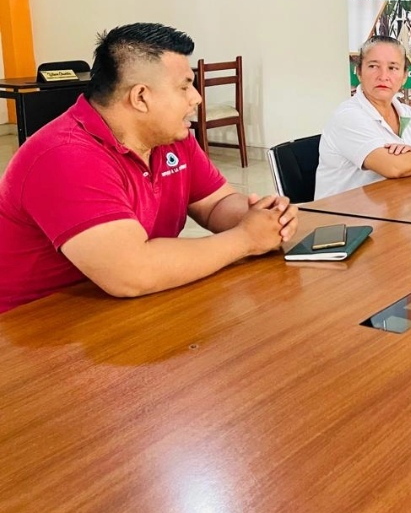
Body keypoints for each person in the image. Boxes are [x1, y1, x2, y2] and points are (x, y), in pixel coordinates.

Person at [0, 22, 299, 314]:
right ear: (141, 97)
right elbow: (132, 273)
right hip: (39, 325)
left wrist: (263, 218)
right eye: (184, 86)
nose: (196, 98)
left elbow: (215, 204)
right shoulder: (64, 155)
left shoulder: (170, 137)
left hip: (135, 308)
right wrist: (245, 239)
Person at [315, 34, 411, 199]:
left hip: (393, 204)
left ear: (404, 76)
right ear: (359, 72)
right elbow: (394, 168)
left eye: (393, 68)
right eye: (373, 66)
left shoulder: (407, 113)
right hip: (343, 213)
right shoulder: (347, 116)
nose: (383, 76)